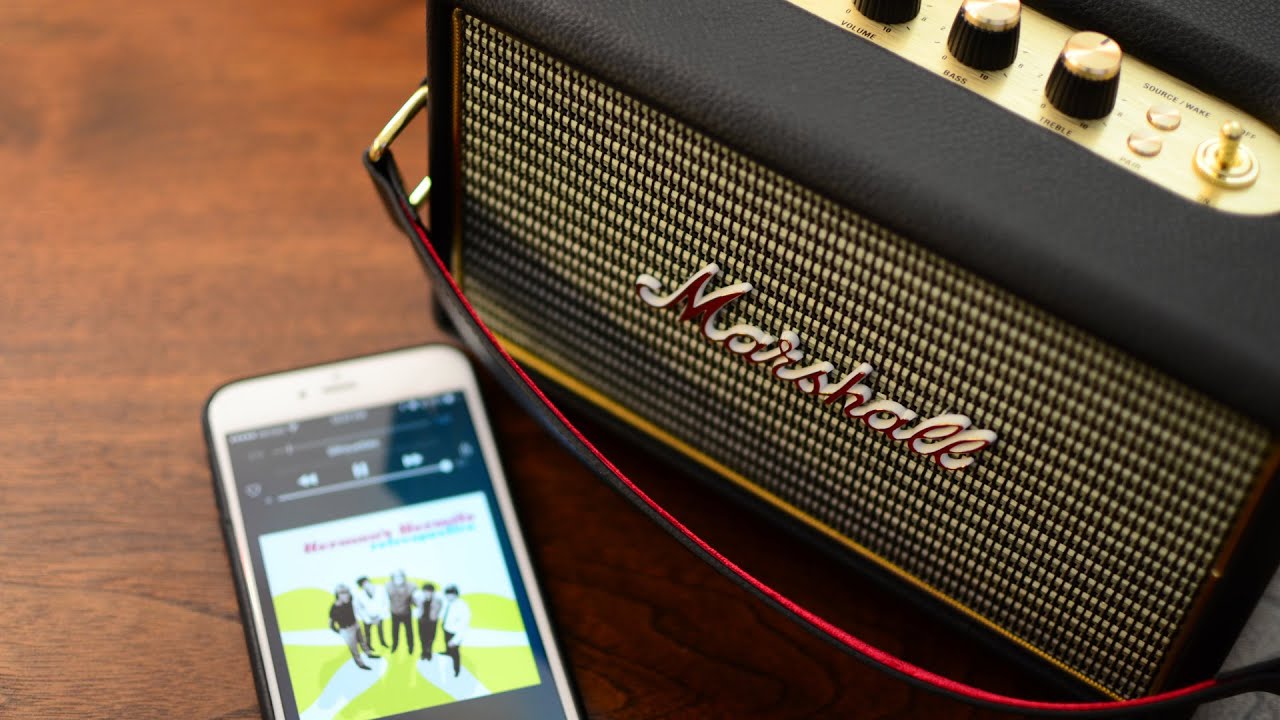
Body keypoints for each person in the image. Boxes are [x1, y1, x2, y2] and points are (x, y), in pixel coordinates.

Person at [329, 585, 373, 670]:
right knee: (354, 648)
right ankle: (361, 664)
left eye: (347, 593)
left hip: (355, 624)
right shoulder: (334, 608)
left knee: (362, 641)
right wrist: (339, 631)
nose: (346, 595)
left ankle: (369, 654)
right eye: (343, 593)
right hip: (346, 630)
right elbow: (331, 623)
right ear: (337, 595)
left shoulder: (349, 601)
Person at [440, 585, 471, 677]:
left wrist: (455, 640)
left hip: (455, 634)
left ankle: (456, 670)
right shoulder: (448, 603)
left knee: (455, 652)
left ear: (456, 595)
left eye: (451, 595)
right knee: (448, 646)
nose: (448, 597)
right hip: (447, 629)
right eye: (447, 595)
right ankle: (448, 653)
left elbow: (463, 625)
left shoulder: (462, 606)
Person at [354, 576, 390, 651]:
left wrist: (380, 615)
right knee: (367, 633)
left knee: (380, 631)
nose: (366, 585)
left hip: (379, 615)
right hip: (368, 617)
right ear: (361, 586)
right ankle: (369, 645)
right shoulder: (359, 595)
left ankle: (383, 643)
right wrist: (367, 618)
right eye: (363, 584)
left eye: (366, 582)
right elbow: (359, 608)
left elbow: (386, 602)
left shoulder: (380, 590)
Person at [386, 570, 416, 654]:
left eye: (400, 576)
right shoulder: (389, 586)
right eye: (396, 577)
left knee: (409, 631)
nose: (398, 579)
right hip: (395, 613)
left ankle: (411, 647)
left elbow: (415, 598)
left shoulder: (411, 586)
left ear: (404, 577)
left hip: (406, 613)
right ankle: (395, 645)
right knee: (395, 631)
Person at [414, 582, 442, 660]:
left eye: (429, 592)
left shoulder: (437, 600)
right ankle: (423, 652)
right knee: (422, 637)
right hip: (422, 621)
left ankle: (429, 652)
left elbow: (439, 610)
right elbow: (414, 602)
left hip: (432, 622)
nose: (427, 594)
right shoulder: (420, 599)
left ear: (433, 592)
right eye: (425, 592)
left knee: (431, 638)